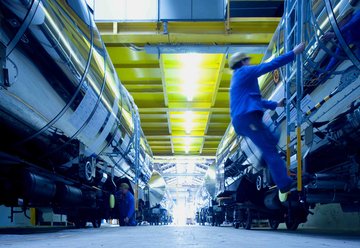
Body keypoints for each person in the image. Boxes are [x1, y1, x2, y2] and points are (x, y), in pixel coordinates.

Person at [228, 42, 305, 195]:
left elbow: (256, 100)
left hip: (244, 119)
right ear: (242, 62)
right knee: (270, 149)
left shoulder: (239, 79)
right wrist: (294, 53)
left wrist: (276, 104)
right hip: (247, 118)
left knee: (273, 135)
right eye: (247, 60)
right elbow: (270, 66)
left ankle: (264, 159)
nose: (249, 62)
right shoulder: (244, 72)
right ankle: (284, 183)